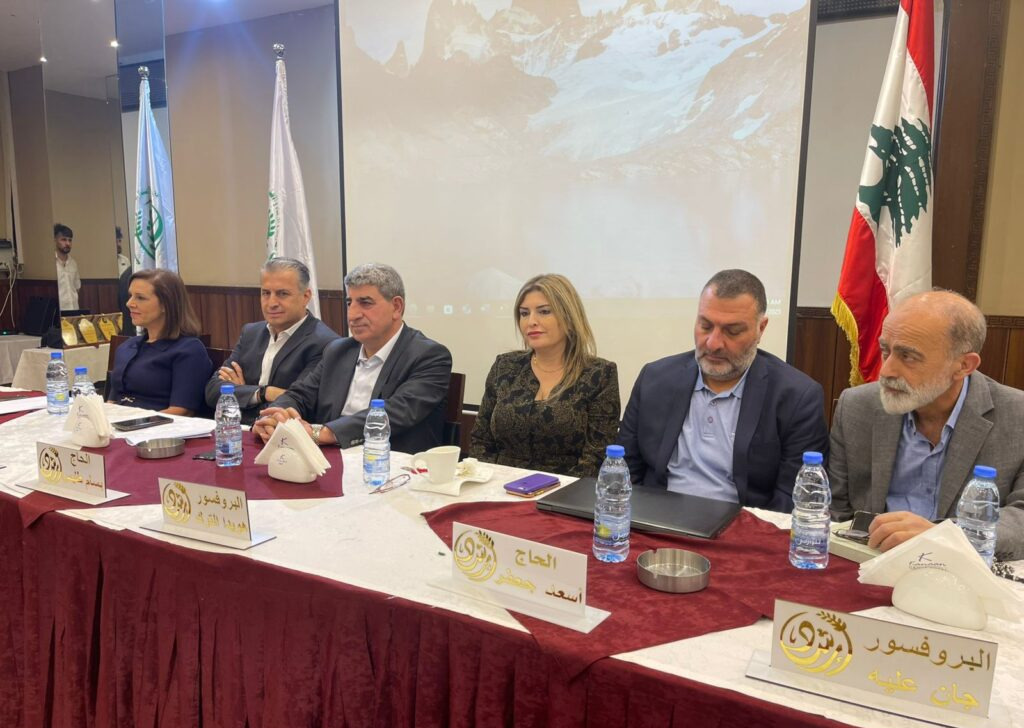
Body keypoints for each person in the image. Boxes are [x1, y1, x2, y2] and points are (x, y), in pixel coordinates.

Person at [829, 290, 1024, 559]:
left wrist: (942, 536)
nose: (886, 371)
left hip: (963, 568)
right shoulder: (857, 406)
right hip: (870, 561)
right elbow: (835, 511)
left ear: (963, 365)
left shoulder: (1016, 415)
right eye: (885, 351)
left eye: (908, 356)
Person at [618, 269, 828, 512]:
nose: (713, 343)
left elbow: (791, 500)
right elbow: (625, 470)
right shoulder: (655, 379)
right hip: (659, 520)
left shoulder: (797, 397)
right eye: (705, 326)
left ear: (761, 328)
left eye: (732, 331)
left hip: (743, 527)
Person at [253, 263, 452, 452]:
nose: (353, 315)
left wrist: (322, 433)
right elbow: (300, 394)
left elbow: (394, 413)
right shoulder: (338, 351)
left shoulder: (429, 357)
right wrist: (275, 416)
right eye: (350, 303)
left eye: (365, 303)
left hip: (390, 464)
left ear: (396, 307)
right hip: (328, 457)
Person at [469, 274, 619, 476]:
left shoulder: (599, 374)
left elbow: (595, 458)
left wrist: (553, 492)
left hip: (565, 490)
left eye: (544, 311)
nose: (531, 322)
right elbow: (480, 441)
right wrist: (489, 485)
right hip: (499, 486)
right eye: (524, 313)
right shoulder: (505, 366)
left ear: (569, 318)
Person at [203, 258, 338, 424]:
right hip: (238, 431)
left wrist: (241, 393)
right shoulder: (250, 333)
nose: (272, 303)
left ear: (305, 296)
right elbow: (212, 392)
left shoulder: (324, 343)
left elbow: (298, 406)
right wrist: (264, 393)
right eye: (266, 293)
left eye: (283, 294)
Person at [107, 269, 212, 415]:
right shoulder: (127, 347)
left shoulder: (188, 350)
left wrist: (135, 423)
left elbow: (182, 411)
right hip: (119, 422)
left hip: (159, 425)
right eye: (130, 296)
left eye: (140, 298)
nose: (129, 303)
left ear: (165, 304)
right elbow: (112, 401)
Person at [54, 223, 80, 311]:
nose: (67, 243)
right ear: (55, 240)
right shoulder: (50, 263)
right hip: (58, 311)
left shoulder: (73, 263)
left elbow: (77, 287)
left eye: (70, 240)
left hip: (74, 309)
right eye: (63, 240)